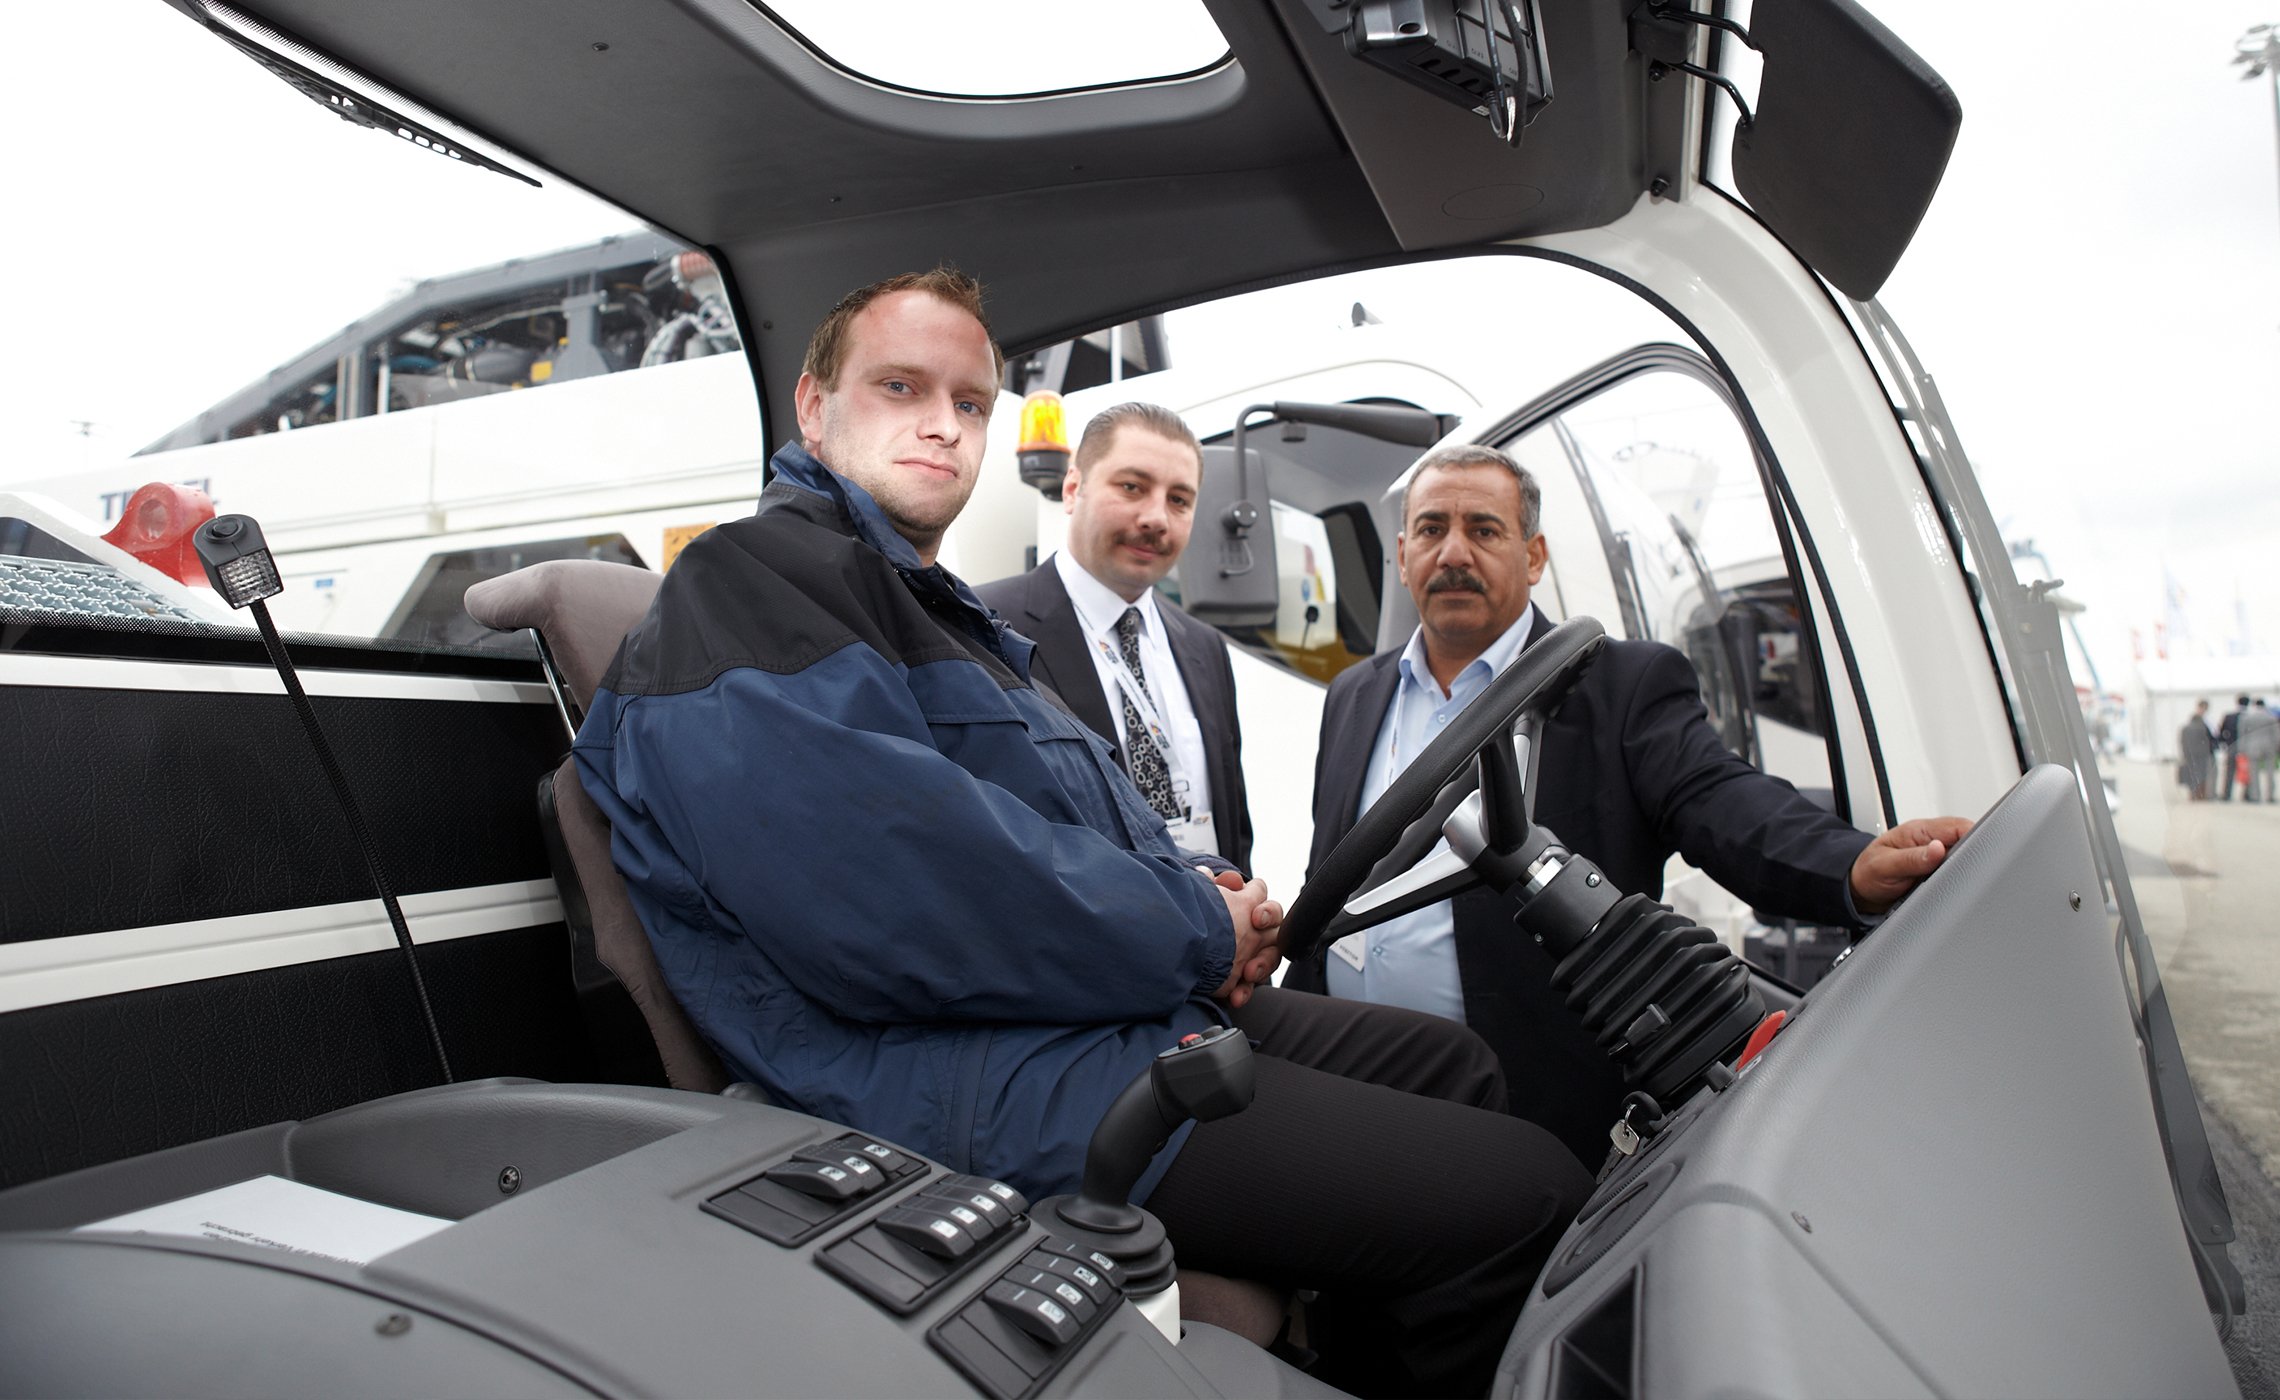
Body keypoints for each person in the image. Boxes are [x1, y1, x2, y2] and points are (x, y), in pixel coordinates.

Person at [575, 270, 1591, 1399]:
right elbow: (909, 896)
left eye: (970, 402)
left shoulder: (937, 614)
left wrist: (1213, 892)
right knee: (1534, 1193)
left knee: (1455, 1064)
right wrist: (1198, 929)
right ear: (813, 408)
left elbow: (1068, 823)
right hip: (962, 1080)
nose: (943, 424)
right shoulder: (752, 585)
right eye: (900, 387)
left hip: (1071, 1019)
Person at [1292, 443, 1973, 1161]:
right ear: (1403, 556)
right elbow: (1334, 868)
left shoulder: (1621, 685)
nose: (1454, 552)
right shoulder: (1355, 695)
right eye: (1432, 529)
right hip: (1358, 1088)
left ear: (1534, 556)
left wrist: (1852, 865)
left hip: (1520, 1107)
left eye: (1484, 530)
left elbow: (1720, 800)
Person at [976, 403, 1251, 870]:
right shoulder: (988, 627)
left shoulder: (1205, 647)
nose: (1157, 518)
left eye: (1179, 500)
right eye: (1132, 487)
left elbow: (1233, 823)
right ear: (1073, 488)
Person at [2240, 698, 2279, 805]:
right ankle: (2270, 795)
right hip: (2269, 746)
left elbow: (2242, 734)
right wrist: (2277, 747)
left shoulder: (2247, 718)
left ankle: (2255, 796)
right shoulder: (2271, 717)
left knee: (2253, 772)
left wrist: (2242, 749)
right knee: (2270, 772)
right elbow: (2276, 734)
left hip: (2252, 746)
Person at [2177, 700, 2214, 801]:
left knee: (2191, 774)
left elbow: (2182, 742)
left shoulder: (2185, 728)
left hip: (2189, 755)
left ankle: (2191, 794)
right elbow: (2206, 742)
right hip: (2201, 755)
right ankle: (2200, 794)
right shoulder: (2202, 728)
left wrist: (2184, 753)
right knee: (2202, 774)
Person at [2220, 696, 2250, 801]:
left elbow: (2222, 732)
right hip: (2246, 748)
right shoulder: (2249, 717)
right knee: (2246, 771)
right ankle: (2246, 794)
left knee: (2229, 772)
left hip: (2232, 746)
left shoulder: (2229, 717)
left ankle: (2226, 794)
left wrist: (2226, 743)